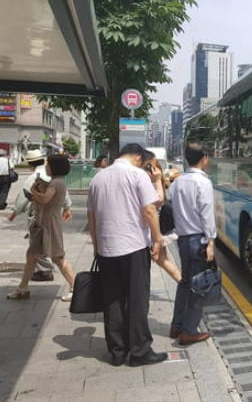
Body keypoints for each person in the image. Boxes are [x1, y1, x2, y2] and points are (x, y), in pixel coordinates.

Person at [87, 143, 167, 367]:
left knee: (112, 301)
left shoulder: (98, 179)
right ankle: (140, 351)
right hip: (133, 247)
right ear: (138, 158)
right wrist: (158, 239)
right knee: (137, 300)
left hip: (106, 249)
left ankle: (117, 351)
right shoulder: (137, 175)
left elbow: (91, 217)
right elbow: (149, 210)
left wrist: (96, 245)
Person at [7, 154, 75, 301]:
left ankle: (75, 288)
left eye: (48, 165)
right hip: (44, 223)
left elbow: (45, 199)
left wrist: (33, 190)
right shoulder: (57, 182)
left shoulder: (56, 183)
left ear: (54, 167)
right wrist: (35, 195)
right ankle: (22, 288)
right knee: (32, 256)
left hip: (49, 225)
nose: (46, 167)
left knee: (58, 257)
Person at [168, 143, 216, 346]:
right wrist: (211, 241)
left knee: (186, 282)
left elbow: (170, 209)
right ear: (204, 158)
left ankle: (177, 324)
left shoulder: (177, 182)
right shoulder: (202, 183)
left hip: (183, 239)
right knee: (199, 286)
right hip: (198, 239)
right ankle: (189, 330)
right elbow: (206, 214)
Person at [142, 151, 182, 283]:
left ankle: (185, 285)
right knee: (162, 261)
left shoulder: (153, 182)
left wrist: (157, 180)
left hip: (152, 231)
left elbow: (158, 201)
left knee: (162, 260)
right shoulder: (153, 181)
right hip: (151, 230)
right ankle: (184, 285)